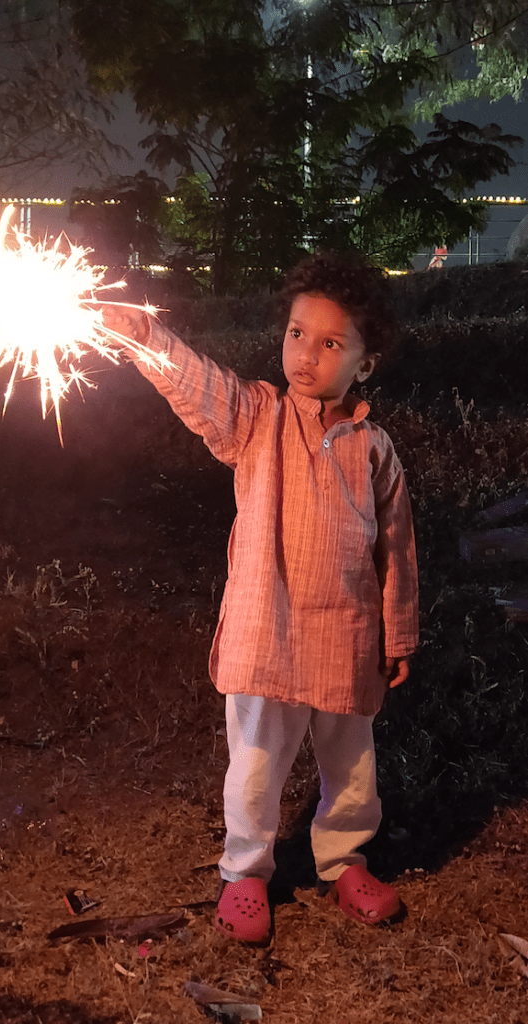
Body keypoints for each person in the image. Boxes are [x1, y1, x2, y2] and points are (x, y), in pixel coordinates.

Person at [102, 250, 418, 945]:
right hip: (266, 628)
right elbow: (198, 386)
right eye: (296, 334)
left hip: (345, 632)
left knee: (350, 762)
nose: (305, 355)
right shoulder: (256, 417)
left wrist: (397, 633)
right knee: (254, 762)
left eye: (330, 342)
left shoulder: (374, 447)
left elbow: (395, 547)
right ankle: (245, 870)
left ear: (364, 363)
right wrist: (145, 338)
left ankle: (343, 859)